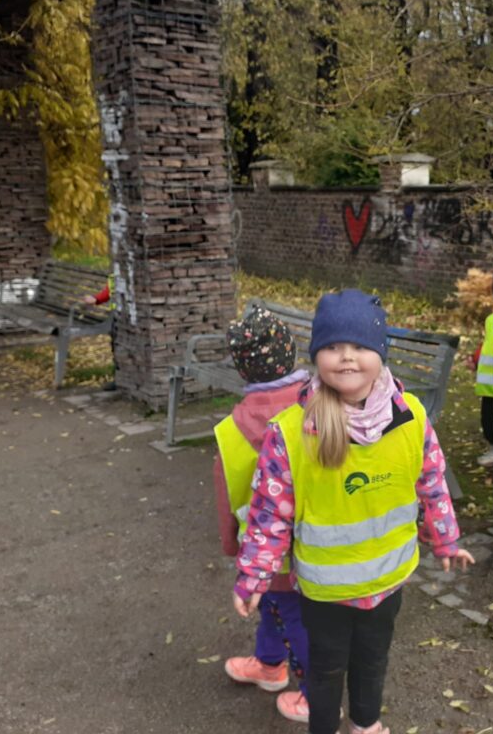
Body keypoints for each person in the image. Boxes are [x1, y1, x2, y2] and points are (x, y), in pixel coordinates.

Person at [233, 289, 475, 734]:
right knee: (325, 672)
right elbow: (269, 516)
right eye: (332, 346)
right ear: (316, 356)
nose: (346, 356)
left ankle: (366, 725)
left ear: (380, 353)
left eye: (360, 345)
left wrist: (445, 539)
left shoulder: (411, 417)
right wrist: (254, 576)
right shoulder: (291, 433)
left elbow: (432, 482)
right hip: (326, 593)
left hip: (387, 581)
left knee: (372, 660)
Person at [214, 307, 313, 724]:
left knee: (287, 610)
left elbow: (227, 495)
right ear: (291, 353)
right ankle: (270, 664)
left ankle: (316, 695)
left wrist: (233, 546)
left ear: (242, 369)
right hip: (317, 542)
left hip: (263, 548)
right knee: (281, 608)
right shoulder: (321, 406)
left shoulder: (230, 430)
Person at [468, 278, 493, 467]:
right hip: (488, 384)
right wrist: (475, 358)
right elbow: (486, 344)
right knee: (488, 420)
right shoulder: (491, 320)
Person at [82, 275, 117, 391]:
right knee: (116, 348)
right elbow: (109, 291)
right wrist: (96, 299)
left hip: (130, 316)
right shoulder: (114, 274)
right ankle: (119, 378)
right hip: (116, 317)